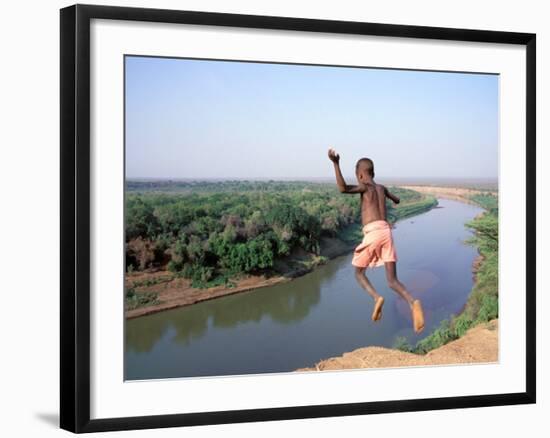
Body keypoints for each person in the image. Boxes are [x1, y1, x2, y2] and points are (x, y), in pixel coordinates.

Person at [327, 147, 425, 333]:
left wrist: (336, 163)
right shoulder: (382, 188)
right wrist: (392, 199)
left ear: (362, 175)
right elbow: (396, 200)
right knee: (392, 281)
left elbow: (342, 188)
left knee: (358, 273)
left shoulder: (365, 187)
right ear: (374, 172)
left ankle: (376, 298)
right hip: (387, 232)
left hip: (372, 233)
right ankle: (413, 303)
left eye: (357, 176)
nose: (358, 179)